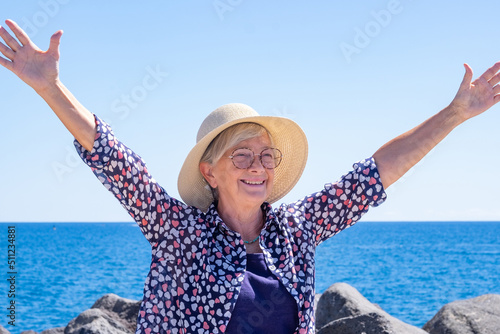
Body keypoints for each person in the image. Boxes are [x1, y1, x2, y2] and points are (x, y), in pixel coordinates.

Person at [1, 18, 499, 334]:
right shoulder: (179, 232)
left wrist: (455, 114)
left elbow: (377, 172)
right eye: (241, 156)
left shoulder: (298, 230)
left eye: (266, 156)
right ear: (209, 172)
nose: (258, 167)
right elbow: (114, 159)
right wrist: (51, 87)